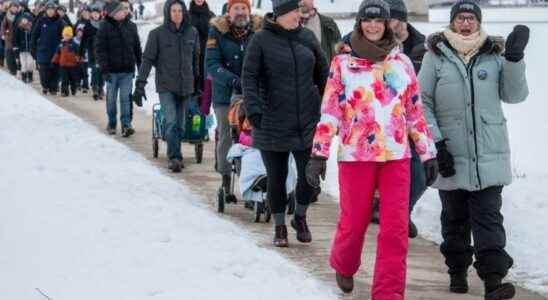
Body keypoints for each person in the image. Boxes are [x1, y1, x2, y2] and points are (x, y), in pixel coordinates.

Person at [306, 0, 438, 296]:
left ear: (388, 23)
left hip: (396, 156)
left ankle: (388, 293)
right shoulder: (342, 63)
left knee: (395, 230)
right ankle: (344, 263)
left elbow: (414, 113)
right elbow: (329, 112)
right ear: (360, 23)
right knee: (354, 221)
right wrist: (319, 153)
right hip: (356, 156)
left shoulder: (401, 64)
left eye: (379, 21)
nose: (374, 26)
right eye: (368, 20)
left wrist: (428, 153)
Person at [418, 1, 529, 299]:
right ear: (452, 22)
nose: (466, 23)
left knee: (488, 218)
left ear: (478, 22)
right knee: (454, 218)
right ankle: (457, 271)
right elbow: (422, 102)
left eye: (471, 18)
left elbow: (514, 95)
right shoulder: (436, 56)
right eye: (460, 18)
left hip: (488, 156)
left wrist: (515, 60)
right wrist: (437, 144)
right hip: (450, 154)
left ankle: (493, 281)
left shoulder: (494, 56)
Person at [243, 0, 329, 247]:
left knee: (309, 178)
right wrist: (254, 108)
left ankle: (299, 217)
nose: (298, 15)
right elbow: (249, 77)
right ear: (279, 14)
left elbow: (323, 73)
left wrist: (330, 106)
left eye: (299, 11)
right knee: (277, 177)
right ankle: (280, 225)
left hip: (306, 120)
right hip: (272, 120)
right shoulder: (260, 40)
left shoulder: (307, 37)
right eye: (293, 11)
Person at [206, 0, 261, 206]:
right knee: (228, 136)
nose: (240, 12)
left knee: (252, 137)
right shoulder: (217, 33)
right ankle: (225, 178)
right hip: (225, 95)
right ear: (229, 12)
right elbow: (211, 64)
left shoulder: (258, 32)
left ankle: (252, 180)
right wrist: (234, 80)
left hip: (254, 94)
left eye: (243, 8)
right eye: (236, 8)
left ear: (249, 11)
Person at [134, 0, 200, 172]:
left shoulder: (192, 33)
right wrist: (140, 84)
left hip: (186, 86)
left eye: (180, 10)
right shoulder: (157, 34)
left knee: (180, 125)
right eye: (174, 11)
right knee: (171, 122)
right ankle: (175, 158)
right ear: (167, 13)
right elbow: (147, 60)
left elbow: (196, 61)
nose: (177, 14)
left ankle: (174, 150)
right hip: (166, 86)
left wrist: (198, 85)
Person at [95, 0, 142, 137]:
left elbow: (137, 48)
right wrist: (104, 70)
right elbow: (100, 50)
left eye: (124, 9)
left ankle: (126, 125)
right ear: (113, 13)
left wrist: (140, 67)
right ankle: (112, 123)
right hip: (111, 71)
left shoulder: (132, 26)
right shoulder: (104, 27)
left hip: (127, 71)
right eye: (121, 10)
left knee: (125, 98)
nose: (124, 12)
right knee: (111, 99)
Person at [31, 0, 64, 95]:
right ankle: (45, 86)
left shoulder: (60, 21)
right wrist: (33, 48)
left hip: (56, 51)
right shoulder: (41, 21)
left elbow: (65, 35)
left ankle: (53, 88)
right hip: (43, 50)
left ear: (55, 10)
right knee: (44, 70)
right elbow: (34, 35)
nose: (50, 11)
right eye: (48, 9)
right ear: (46, 10)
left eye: (52, 9)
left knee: (55, 70)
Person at [189, 0, 214, 92]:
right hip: (190, 55)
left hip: (207, 55)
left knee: (205, 86)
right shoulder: (186, 16)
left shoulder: (211, 15)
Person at [52, 26, 80, 97]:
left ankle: (73, 89)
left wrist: (78, 61)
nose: (65, 37)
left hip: (72, 66)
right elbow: (57, 53)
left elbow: (78, 54)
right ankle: (64, 91)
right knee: (64, 80)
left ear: (71, 36)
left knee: (73, 79)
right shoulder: (61, 44)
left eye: (67, 35)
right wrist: (54, 61)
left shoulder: (74, 45)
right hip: (63, 65)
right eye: (64, 35)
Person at [74, 5, 92, 93]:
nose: (85, 14)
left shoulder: (92, 22)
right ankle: (77, 83)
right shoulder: (78, 22)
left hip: (87, 47)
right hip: (78, 46)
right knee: (77, 67)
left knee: (85, 68)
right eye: (83, 12)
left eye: (87, 12)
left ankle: (85, 84)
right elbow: (74, 33)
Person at [2, 0, 22, 75]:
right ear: (10, 8)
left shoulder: (20, 15)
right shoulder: (7, 15)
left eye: (15, 7)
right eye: (12, 7)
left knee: (18, 56)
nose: (14, 9)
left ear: (18, 8)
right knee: (9, 55)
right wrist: (3, 34)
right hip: (9, 38)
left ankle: (19, 70)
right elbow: (3, 26)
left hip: (18, 39)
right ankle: (12, 70)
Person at [12, 12, 34, 83]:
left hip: (30, 50)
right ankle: (24, 77)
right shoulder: (19, 28)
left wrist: (33, 45)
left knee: (30, 63)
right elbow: (15, 38)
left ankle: (30, 76)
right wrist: (15, 46)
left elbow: (34, 37)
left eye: (26, 19)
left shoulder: (31, 28)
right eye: (23, 19)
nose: (24, 21)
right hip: (22, 49)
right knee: (23, 64)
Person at [88, 5, 103, 100]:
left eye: (97, 13)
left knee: (101, 71)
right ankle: (95, 88)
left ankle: (101, 88)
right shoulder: (88, 24)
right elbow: (85, 38)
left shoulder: (104, 24)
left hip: (102, 52)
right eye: (93, 13)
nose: (95, 15)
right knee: (94, 70)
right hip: (92, 51)